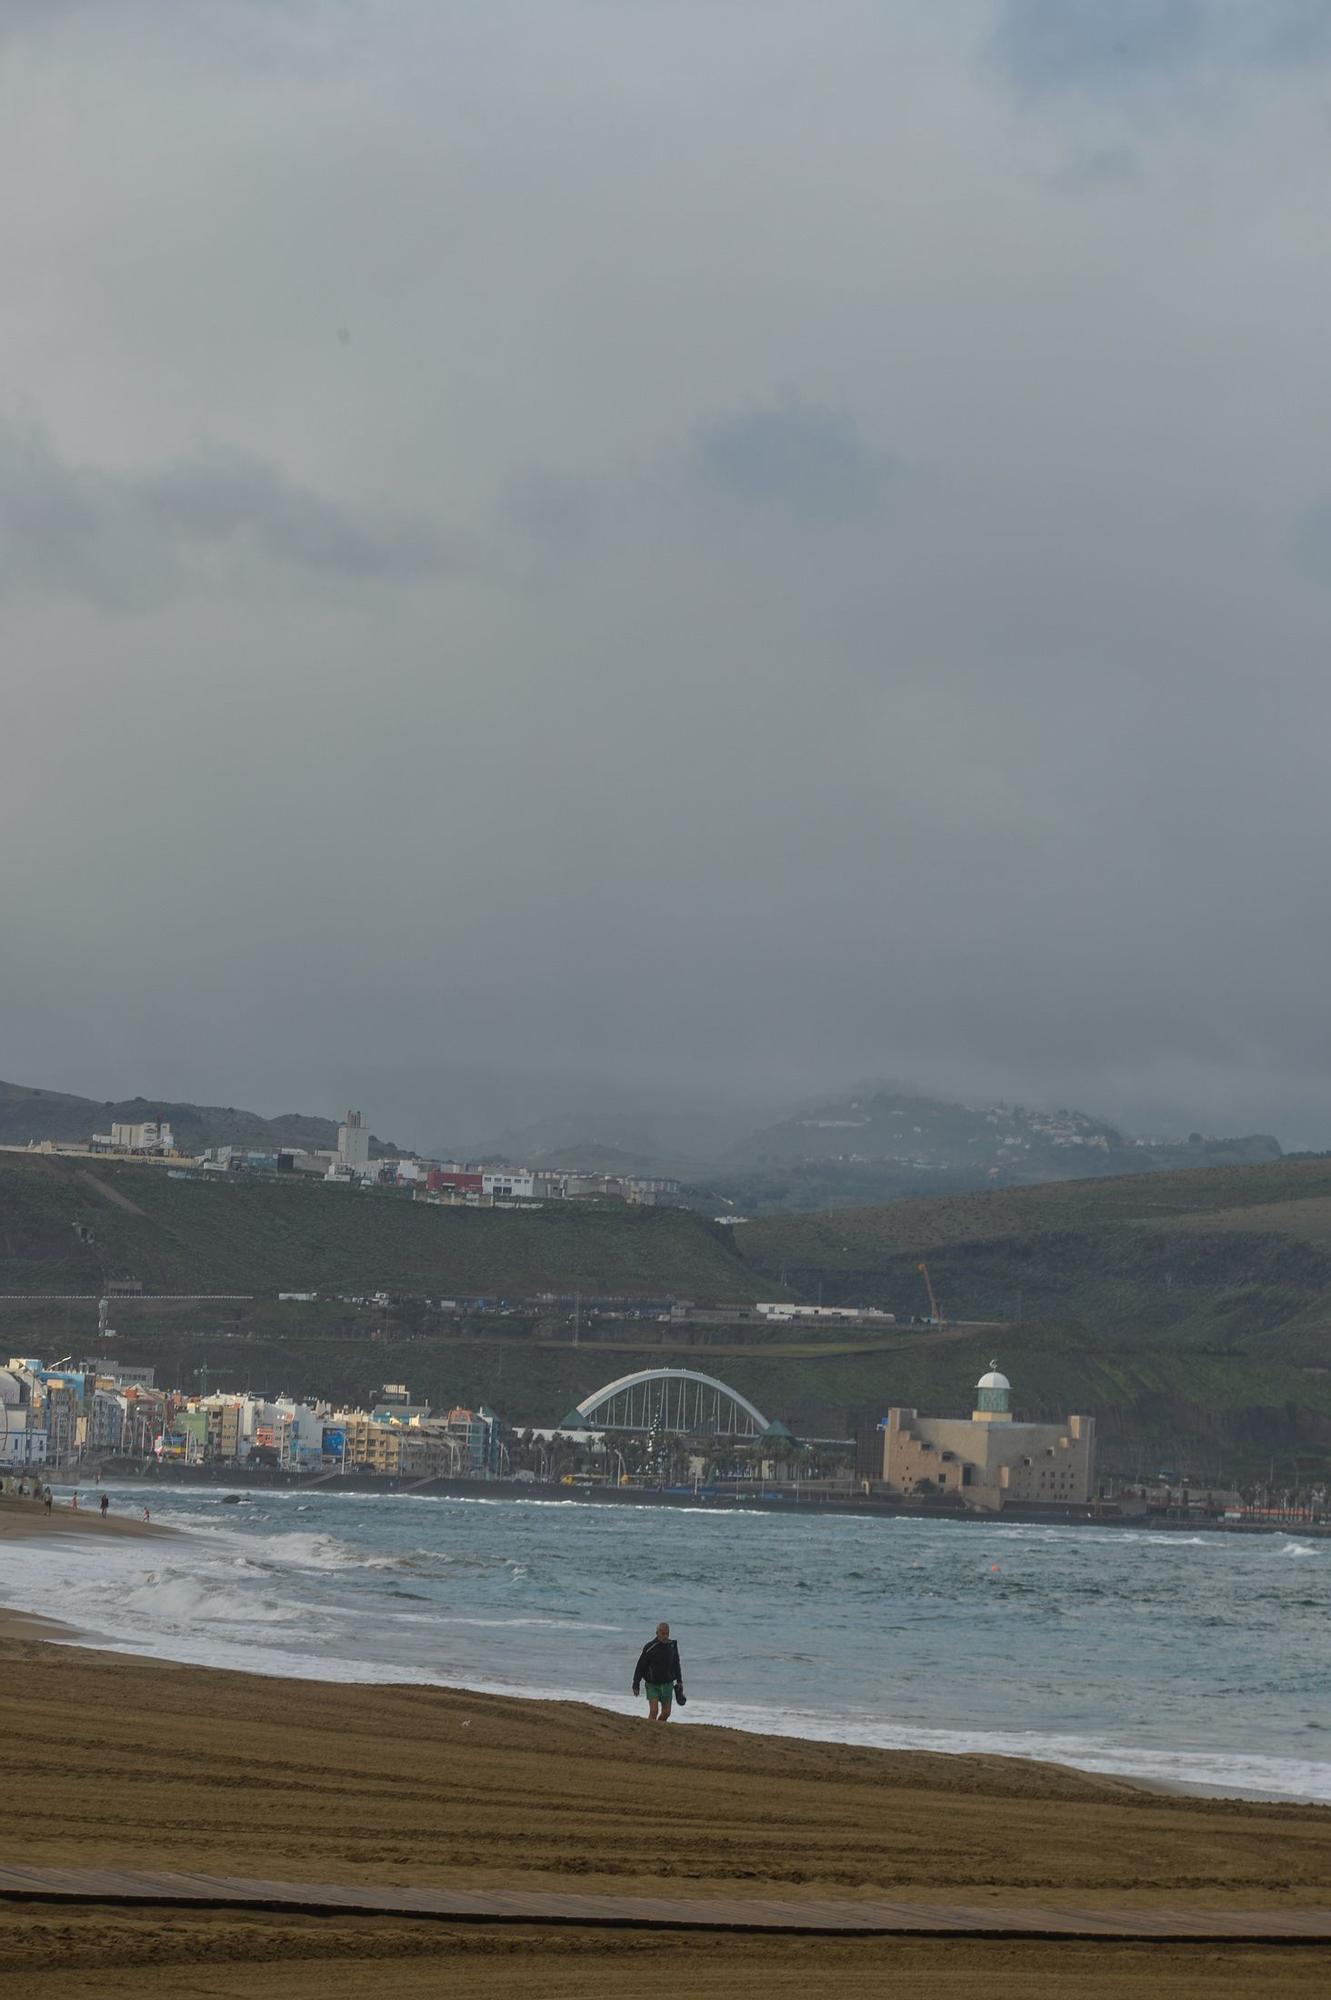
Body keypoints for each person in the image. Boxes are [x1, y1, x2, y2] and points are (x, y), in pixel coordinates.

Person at [632, 1621, 686, 1722]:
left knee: (666, 1713)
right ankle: (650, 1730)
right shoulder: (650, 1648)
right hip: (652, 1685)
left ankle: (658, 1727)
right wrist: (636, 1684)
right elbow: (640, 1666)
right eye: (662, 1633)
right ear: (657, 1633)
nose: (665, 1636)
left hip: (667, 1684)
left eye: (667, 1633)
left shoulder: (672, 1647)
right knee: (654, 1711)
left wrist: (679, 1681)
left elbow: (676, 1664)